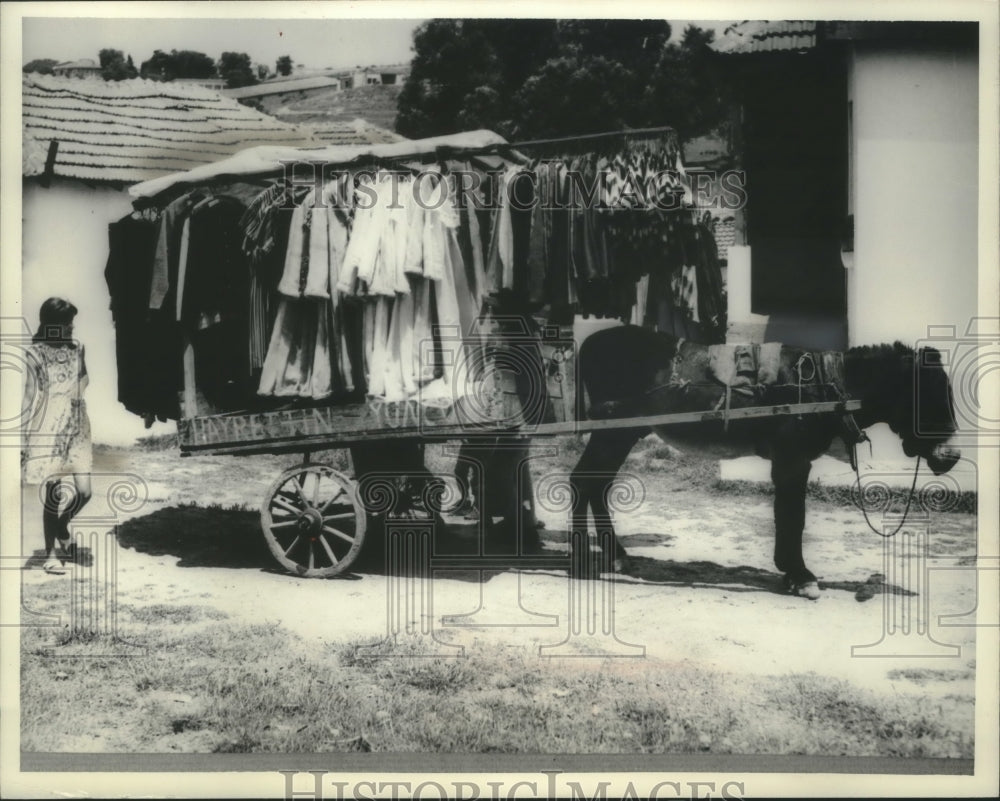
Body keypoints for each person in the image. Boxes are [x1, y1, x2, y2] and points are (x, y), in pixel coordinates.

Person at [21, 298, 93, 574]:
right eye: (66, 323)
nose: (71, 327)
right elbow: (30, 394)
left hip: (76, 424)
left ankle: (63, 525)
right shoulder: (35, 352)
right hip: (47, 425)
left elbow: (86, 377)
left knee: (85, 492)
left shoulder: (77, 348)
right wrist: (24, 438)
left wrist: (79, 387)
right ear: (52, 325)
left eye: (71, 322)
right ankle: (51, 554)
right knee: (54, 494)